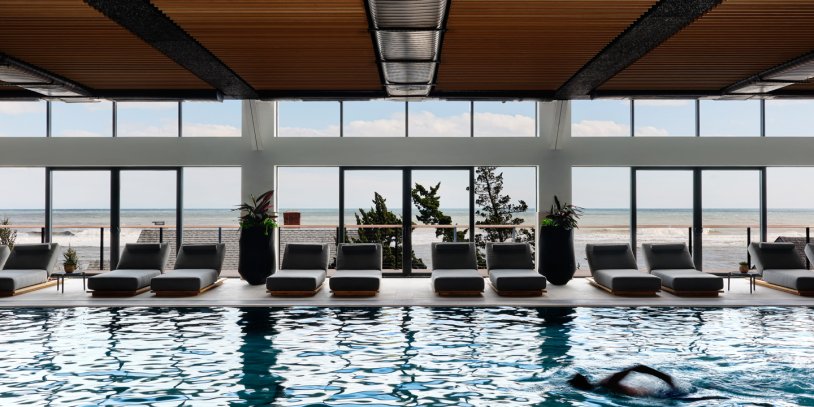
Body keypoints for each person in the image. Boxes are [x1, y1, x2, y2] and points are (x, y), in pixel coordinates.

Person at [569, 364, 678, 397]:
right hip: (659, 394)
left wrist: (665, 378)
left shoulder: (607, 383)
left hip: (663, 394)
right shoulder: (600, 388)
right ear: (586, 379)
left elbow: (638, 367)